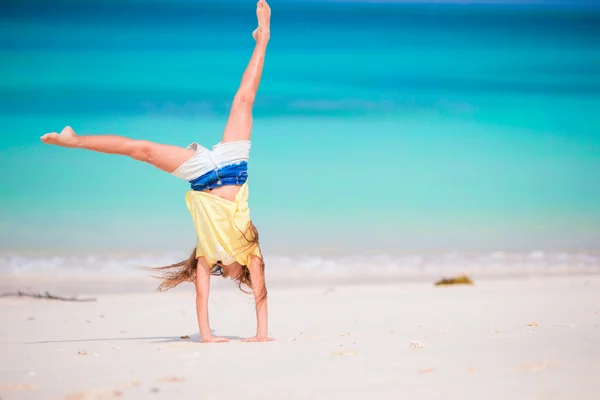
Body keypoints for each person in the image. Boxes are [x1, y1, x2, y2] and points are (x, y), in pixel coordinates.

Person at [40, 0, 274, 343]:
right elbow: (263, 297)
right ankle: (263, 37)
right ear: (245, 276)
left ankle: (76, 143)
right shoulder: (252, 253)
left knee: (144, 151)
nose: (224, 271)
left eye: (221, 272)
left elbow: (200, 296)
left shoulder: (207, 256)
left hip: (202, 177)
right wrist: (261, 336)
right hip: (234, 169)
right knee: (243, 99)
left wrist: (206, 336)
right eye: (229, 273)